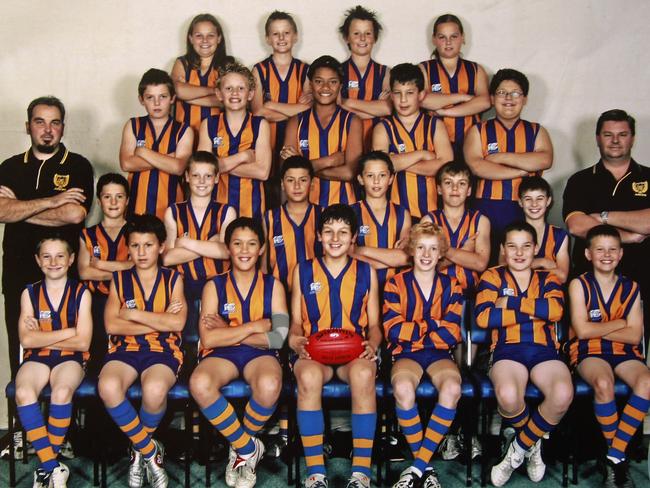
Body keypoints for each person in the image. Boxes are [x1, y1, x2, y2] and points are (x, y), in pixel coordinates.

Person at [190, 217, 288, 488]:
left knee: (270, 384)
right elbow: (209, 337)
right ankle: (247, 447)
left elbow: (279, 338)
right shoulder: (214, 286)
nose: (244, 250)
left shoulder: (274, 285)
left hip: (259, 356)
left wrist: (229, 330)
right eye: (237, 243)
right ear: (228, 248)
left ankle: (238, 449)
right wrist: (254, 327)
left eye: (251, 244)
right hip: (222, 355)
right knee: (199, 382)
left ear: (261, 249)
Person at [0, 96, 94, 378]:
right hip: (18, 273)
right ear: (28, 126)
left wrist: (19, 208)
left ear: (63, 128)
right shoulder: (10, 167)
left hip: (63, 276)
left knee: (67, 353)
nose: (48, 130)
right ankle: (27, 419)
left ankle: (65, 420)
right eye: (40, 122)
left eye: (55, 123)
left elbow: (74, 215)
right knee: (22, 350)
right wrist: (53, 201)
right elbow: (1, 212)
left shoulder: (77, 165)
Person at [289, 204, 381, 488]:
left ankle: (361, 472)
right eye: (328, 231)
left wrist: (373, 344)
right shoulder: (302, 270)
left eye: (343, 232)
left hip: (354, 352)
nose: (335, 238)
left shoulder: (367, 272)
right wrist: (294, 340)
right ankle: (316, 472)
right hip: (314, 352)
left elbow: (375, 324)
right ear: (318, 235)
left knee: (364, 374)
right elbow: (294, 322)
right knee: (307, 376)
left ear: (354, 237)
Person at [475, 222, 573, 486]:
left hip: (545, 352)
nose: (519, 253)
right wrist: (534, 310)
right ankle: (534, 442)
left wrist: (511, 303)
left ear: (535, 249)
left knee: (563, 394)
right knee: (507, 395)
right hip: (507, 351)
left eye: (526, 246)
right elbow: (485, 317)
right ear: (503, 249)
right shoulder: (492, 277)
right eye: (512, 246)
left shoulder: (548, 277)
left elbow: (555, 312)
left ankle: (517, 450)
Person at [98, 214, 186, 488]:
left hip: (163, 350)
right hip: (124, 351)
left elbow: (177, 323)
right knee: (109, 387)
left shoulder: (174, 279)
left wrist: (133, 314)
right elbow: (112, 324)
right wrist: (157, 318)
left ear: (161, 246)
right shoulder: (120, 278)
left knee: (155, 389)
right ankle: (148, 450)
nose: (141, 252)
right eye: (135, 246)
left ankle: (137, 452)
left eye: (148, 245)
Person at [568, 225, 650, 487]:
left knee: (647, 382)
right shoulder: (579, 285)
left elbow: (635, 336)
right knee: (604, 383)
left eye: (612, 249)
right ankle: (617, 458)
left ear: (621, 254)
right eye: (600, 249)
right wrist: (620, 323)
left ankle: (614, 455)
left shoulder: (632, 287)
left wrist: (598, 330)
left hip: (626, 353)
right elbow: (581, 331)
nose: (606, 254)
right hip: (588, 352)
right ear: (588, 254)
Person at [384, 222, 464, 488]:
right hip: (406, 354)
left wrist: (416, 329)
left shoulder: (452, 285)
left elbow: (452, 333)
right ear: (411, 250)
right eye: (420, 247)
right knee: (403, 387)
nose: (427, 254)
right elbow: (393, 331)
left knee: (452, 387)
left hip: (440, 354)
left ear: (442, 252)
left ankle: (417, 467)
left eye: (433, 248)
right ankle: (427, 469)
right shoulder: (395, 283)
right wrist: (433, 324)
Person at [563, 109, 650, 347]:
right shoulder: (580, 180)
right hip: (590, 280)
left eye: (622, 134)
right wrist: (628, 237)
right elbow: (576, 225)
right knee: (588, 347)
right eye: (608, 134)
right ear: (597, 138)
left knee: (639, 353)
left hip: (643, 275)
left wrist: (603, 217)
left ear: (632, 137)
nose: (615, 140)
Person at [14, 236, 92, 487]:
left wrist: (43, 337)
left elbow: (83, 343)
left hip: (71, 358)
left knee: (61, 391)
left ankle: (46, 468)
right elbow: (27, 340)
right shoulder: (30, 292)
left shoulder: (81, 293)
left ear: (70, 260)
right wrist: (69, 332)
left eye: (60, 256)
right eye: (46, 256)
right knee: (24, 391)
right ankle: (52, 467)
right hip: (36, 358)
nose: (53, 262)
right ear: (38, 261)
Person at [464, 69, 553, 262]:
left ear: (525, 99)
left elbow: (544, 160)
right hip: (486, 207)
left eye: (515, 93)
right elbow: (478, 167)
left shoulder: (537, 131)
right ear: (492, 97)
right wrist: (523, 169)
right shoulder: (478, 130)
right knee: (485, 264)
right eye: (502, 93)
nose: (508, 98)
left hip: (525, 208)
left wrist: (500, 157)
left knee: (519, 263)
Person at [163, 151, 235, 348]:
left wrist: (185, 243)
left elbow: (227, 252)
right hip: (183, 286)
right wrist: (210, 243)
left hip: (218, 284)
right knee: (186, 340)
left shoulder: (227, 211)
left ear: (217, 178)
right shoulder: (174, 211)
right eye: (196, 175)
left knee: (213, 339)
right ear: (186, 177)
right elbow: (168, 258)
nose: (202, 181)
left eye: (208, 176)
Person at [372, 63, 453, 220]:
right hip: (394, 215)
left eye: (409, 93)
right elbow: (380, 167)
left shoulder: (435, 125)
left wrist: (397, 163)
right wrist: (422, 154)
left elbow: (445, 167)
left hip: (432, 213)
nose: (403, 100)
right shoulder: (383, 128)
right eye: (397, 93)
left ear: (421, 95)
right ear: (391, 95)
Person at [281, 55, 363, 207]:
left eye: (332, 82)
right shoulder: (296, 122)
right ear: (311, 84)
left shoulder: (352, 121)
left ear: (340, 85)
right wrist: (329, 161)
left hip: (343, 208)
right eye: (319, 81)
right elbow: (286, 171)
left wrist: (303, 168)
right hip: (304, 208)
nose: (325, 87)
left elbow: (350, 173)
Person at [198, 62, 272, 220]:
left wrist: (218, 165)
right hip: (216, 207)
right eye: (228, 88)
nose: (235, 93)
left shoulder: (260, 125)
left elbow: (262, 172)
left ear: (250, 94)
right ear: (219, 94)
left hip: (252, 209)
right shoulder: (208, 124)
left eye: (241, 88)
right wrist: (243, 157)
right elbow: (202, 169)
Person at [252, 11, 311, 206]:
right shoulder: (259, 70)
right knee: (269, 194)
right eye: (276, 34)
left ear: (295, 36)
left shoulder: (306, 70)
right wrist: (295, 109)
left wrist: (272, 105)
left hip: (296, 142)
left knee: (293, 191)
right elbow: (259, 112)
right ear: (268, 38)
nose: (281, 38)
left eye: (286, 33)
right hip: (266, 141)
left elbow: (309, 110)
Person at [119, 68, 193, 220]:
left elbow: (178, 168)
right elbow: (126, 164)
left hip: (171, 210)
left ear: (172, 98)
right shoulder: (133, 125)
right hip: (136, 207)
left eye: (163, 96)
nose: (157, 103)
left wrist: (142, 151)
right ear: (141, 99)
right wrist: (168, 159)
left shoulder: (184, 130)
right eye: (150, 97)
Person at [78, 173, 132, 374]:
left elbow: (137, 267)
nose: (113, 202)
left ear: (127, 201)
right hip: (96, 301)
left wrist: (101, 265)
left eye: (119, 196)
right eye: (107, 197)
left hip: (127, 301)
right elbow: (84, 272)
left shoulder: (135, 231)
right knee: (97, 355)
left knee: (126, 354)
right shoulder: (87, 234)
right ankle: (94, 405)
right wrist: (122, 268)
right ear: (99, 201)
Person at [419, 14, 490, 158]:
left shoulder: (476, 70)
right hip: (433, 144)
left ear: (462, 38)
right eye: (442, 37)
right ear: (434, 40)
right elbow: (424, 100)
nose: (448, 42)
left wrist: (444, 112)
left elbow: (484, 102)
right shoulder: (424, 69)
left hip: (471, 144)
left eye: (454, 36)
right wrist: (463, 97)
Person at [350, 150, 411, 289]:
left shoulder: (402, 213)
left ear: (390, 179)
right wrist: (393, 260)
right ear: (360, 179)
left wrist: (363, 250)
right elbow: (347, 257)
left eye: (382, 175)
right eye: (370, 175)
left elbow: (405, 257)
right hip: (359, 287)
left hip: (396, 290)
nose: (376, 181)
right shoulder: (350, 212)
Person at [263, 155, 322, 292]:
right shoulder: (270, 217)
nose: (297, 186)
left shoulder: (323, 215)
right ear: (283, 184)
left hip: (317, 292)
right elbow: (264, 266)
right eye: (290, 180)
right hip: (280, 293)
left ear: (312, 183)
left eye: (303, 180)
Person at [337, 5, 390, 151]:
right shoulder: (336, 71)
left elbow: (388, 108)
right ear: (346, 37)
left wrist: (347, 102)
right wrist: (375, 107)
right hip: (343, 144)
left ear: (375, 37)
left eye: (367, 33)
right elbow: (334, 109)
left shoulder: (386, 72)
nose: (362, 38)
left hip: (378, 145)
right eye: (356, 33)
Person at [172, 13, 233, 133]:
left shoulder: (228, 64)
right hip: (182, 136)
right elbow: (177, 90)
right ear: (191, 38)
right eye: (199, 35)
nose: (205, 40)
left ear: (219, 38)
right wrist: (214, 91)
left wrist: (188, 97)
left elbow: (229, 99)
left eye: (210, 35)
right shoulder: (182, 63)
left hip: (218, 136)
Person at [500, 176, 569, 283]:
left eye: (540, 198)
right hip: (517, 295)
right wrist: (542, 262)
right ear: (520, 202)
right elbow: (503, 269)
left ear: (548, 201)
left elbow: (562, 276)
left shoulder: (559, 235)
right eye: (528, 199)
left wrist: (520, 266)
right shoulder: (510, 232)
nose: (534, 204)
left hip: (549, 295)